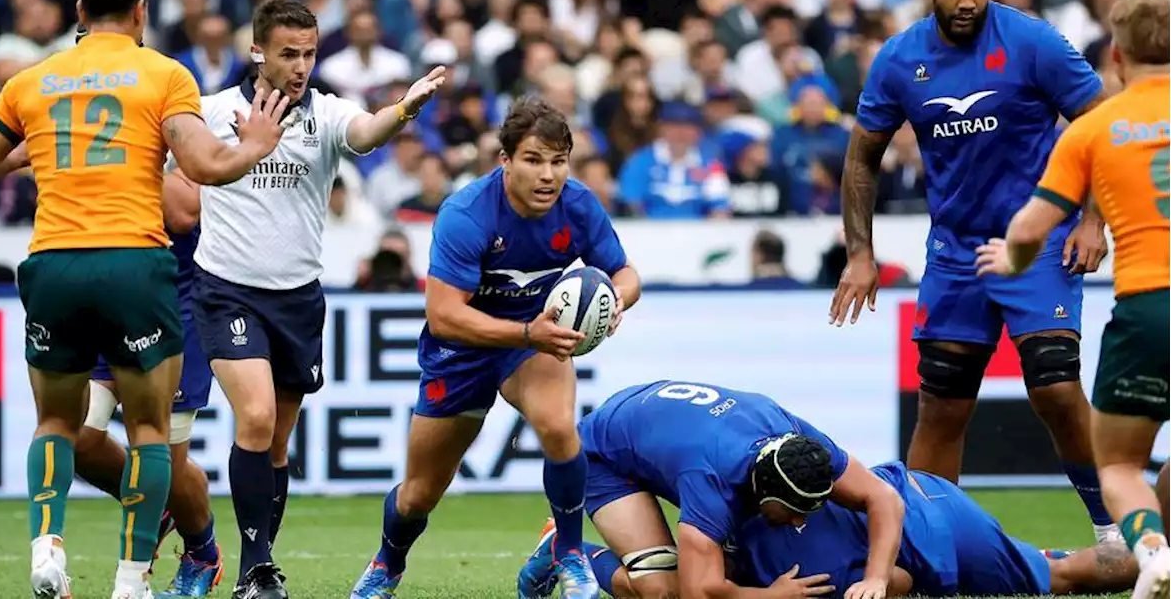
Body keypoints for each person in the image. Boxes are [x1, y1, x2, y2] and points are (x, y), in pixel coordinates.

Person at [0, 0, 287, 599]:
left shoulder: (35, 80)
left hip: (54, 262)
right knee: (149, 432)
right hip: (134, 262)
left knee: (54, 423)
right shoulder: (163, 74)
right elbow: (204, 166)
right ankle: (132, 580)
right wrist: (256, 146)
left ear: (77, 13)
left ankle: (47, 547)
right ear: (141, 13)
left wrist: (31, 146)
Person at [829, 0, 1117, 543]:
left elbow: (1100, 123)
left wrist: (1092, 219)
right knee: (942, 405)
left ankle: (1117, 531)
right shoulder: (899, 59)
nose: (968, 2)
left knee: (1057, 386)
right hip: (956, 251)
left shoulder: (1032, 40)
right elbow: (861, 158)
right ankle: (929, 545)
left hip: (1036, 242)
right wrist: (860, 254)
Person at [191, 0, 446, 599]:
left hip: (298, 298)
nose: (301, 65)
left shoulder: (326, 114)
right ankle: (257, 567)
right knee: (252, 417)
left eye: (308, 53)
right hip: (227, 290)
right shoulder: (213, 110)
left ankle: (260, 562)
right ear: (257, 52)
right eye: (288, 53)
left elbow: (366, 130)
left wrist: (403, 109)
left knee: (276, 441)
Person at [350, 96, 643, 599]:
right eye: (533, 159)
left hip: (533, 343)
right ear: (504, 161)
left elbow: (626, 273)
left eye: (558, 160)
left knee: (558, 428)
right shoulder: (466, 214)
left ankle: (569, 553)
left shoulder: (578, 205)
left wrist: (615, 299)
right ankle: (388, 562)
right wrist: (529, 333)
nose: (548, 174)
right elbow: (443, 315)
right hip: (463, 347)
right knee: (420, 493)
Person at [974, 0, 1171, 599]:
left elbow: (1032, 226)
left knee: (1116, 464)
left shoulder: (1095, 129)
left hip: (1147, 310)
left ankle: (1153, 551)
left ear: (1115, 55)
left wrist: (1011, 258)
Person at [516, 380, 905, 599]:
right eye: (795, 509)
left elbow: (883, 497)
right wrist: (772, 598)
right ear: (764, 494)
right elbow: (696, 594)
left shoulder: (797, 441)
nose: (801, 520)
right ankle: (563, 548)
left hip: (658, 420)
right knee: (662, 592)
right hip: (605, 453)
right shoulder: (710, 484)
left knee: (731, 571)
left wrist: (877, 578)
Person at [75, 154, 223, 598]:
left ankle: (202, 550)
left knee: (163, 461)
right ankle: (154, 507)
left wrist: (129, 161)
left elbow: (183, 212)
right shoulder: (92, 135)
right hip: (112, 303)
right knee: (77, 436)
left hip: (177, 308)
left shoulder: (171, 125)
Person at [729, 461, 1138, 597]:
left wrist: (873, 579)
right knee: (1047, 565)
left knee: (1057, 577)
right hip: (909, 485)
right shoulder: (745, 502)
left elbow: (900, 580)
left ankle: (1155, 557)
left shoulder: (795, 577)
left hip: (931, 530)